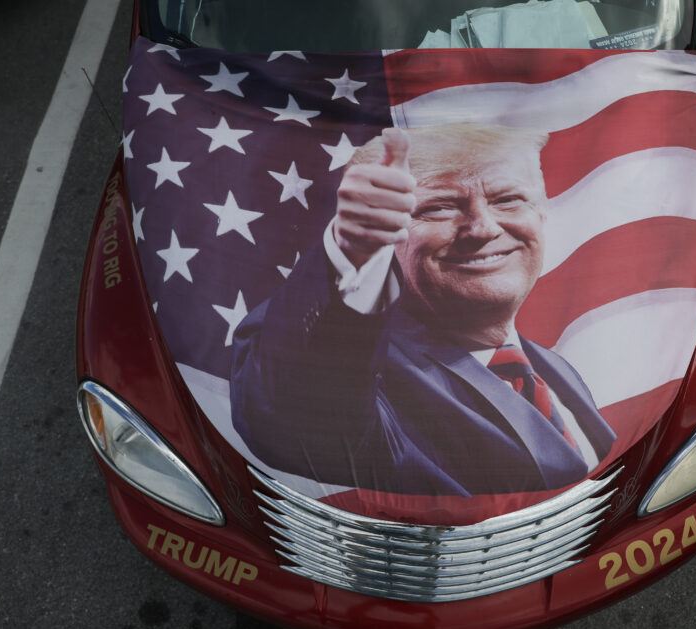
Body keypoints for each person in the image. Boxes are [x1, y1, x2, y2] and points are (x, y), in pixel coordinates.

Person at [230, 124, 615, 496]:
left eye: (507, 199)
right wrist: (351, 253)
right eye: (439, 207)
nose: (483, 227)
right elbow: (298, 404)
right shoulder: (354, 363)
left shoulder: (554, 369)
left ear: (541, 213)